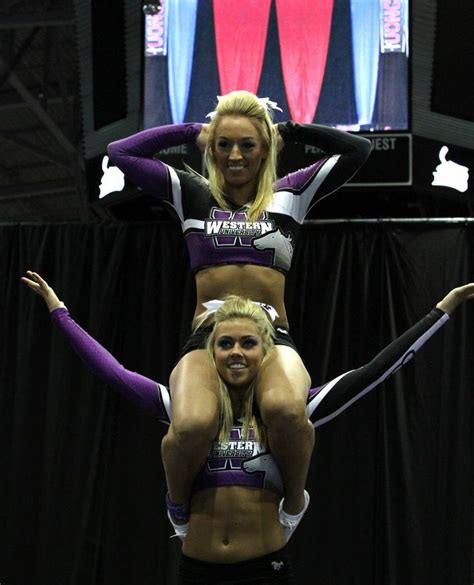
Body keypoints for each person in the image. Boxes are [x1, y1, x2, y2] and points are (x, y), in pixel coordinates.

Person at [21, 271, 474, 584]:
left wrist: (443, 309)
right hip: (198, 571)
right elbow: (112, 373)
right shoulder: (185, 409)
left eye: (248, 343)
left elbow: (374, 372)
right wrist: (59, 311)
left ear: (266, 351)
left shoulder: (292, 411)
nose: (236, 352)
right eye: (225, 344)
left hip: (264, 571)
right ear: (211, 351)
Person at [106, 90, 373, 523]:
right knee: (190, 426)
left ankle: (293, 504)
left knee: (288, 412)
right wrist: (194, 131)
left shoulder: (292, 193)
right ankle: (177, 507)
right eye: (224, 144)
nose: (235, 156)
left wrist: (289, 130)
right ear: (211, 149)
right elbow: (121, 152)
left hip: (272, 340)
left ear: (265, 149)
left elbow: (358, 151)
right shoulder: (189, 192)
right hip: (208, 340)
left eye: (248, 144)